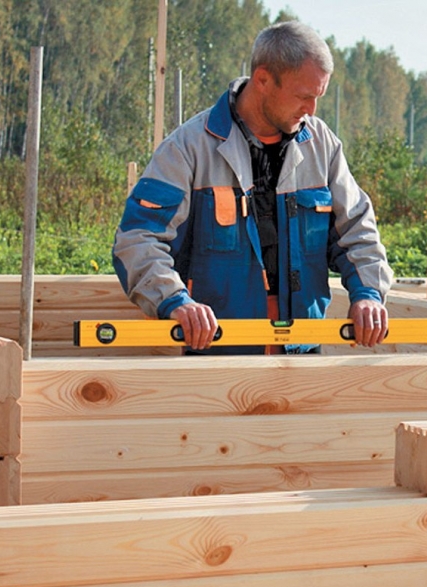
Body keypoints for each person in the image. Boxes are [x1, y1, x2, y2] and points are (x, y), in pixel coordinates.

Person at [112, 20, 393, 354]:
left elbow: (357, 230)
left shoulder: (323, 146)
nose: (311, 110)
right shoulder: (188, 149)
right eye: (303, 96)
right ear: (262, 79)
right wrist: (176, 301)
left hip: (301, 356)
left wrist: (369, 295)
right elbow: (138, 240)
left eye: (318, 97)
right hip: (218, 359)